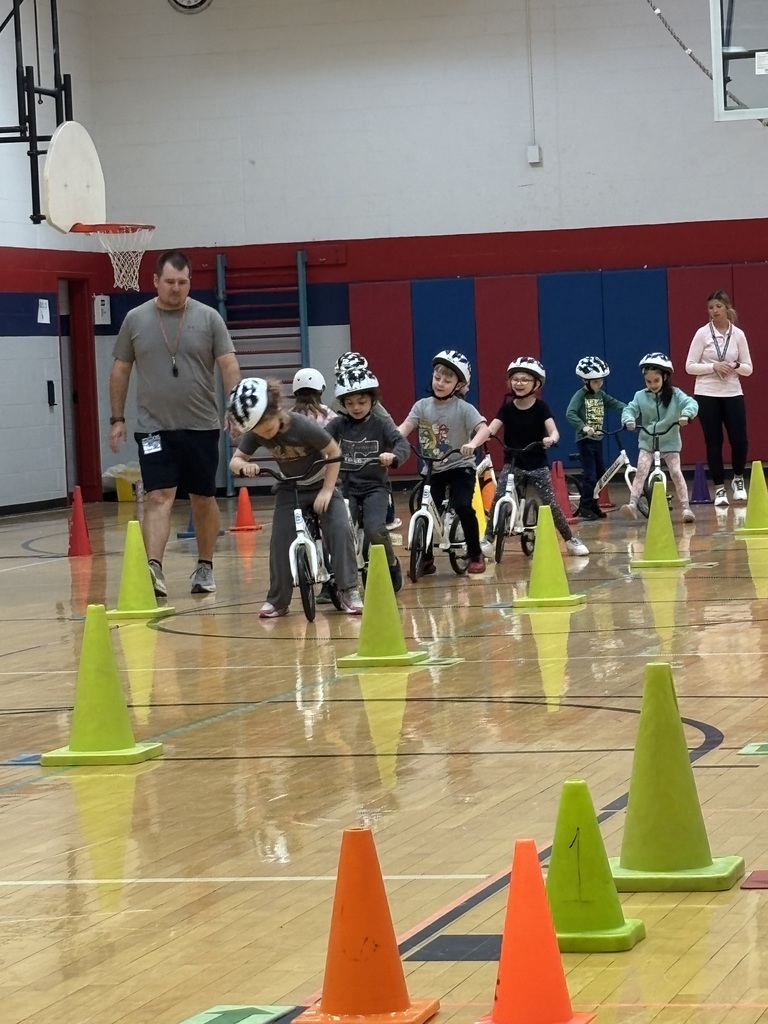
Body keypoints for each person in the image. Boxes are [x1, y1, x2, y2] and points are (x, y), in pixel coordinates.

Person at [109, 249, 241, 598]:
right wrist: (117, 419)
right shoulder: (135, 320)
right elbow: (121, 369)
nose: (176, 289)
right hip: (154, 428)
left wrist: (235, 408)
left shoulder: (209, 318)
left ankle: (205, 566)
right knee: (158, 496)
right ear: (155, 281)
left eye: (183, 282)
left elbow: (228, 364)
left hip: (200, 426)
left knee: (202, 497)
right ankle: (154, 568)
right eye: (169, 282)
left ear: (190, 283)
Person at [227, 377, 363, 618]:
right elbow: (235, 460)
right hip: (291, 489)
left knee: (340, 528)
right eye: (259, 433)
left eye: (267, 429)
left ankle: (349, 590)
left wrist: (328, 491)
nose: (265, 437)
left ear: (277, 410)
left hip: (322, 483)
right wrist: (243, 467)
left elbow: (334, 452)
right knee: (279, 539)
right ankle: (278, 600)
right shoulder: (258, 431)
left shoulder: (302, 426)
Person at [463, 357, 589, 557]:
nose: (518, 383)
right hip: (513, 463)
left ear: (536, 384)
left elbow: (553, 431)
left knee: (551, 504)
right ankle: (488, 539)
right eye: (515, 379)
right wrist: (473, 443)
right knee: (498, 498)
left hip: (537, 464)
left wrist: (551, 439)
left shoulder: (541, 408)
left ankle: (570, 539)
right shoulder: (507, 408)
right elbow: (490, 429)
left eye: (524, 379)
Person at [398, 349, 487, 574]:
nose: (440, 383)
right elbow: (404, 428)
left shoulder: (464, 408)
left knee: (464, 506)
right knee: (425, 510)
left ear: (458, 385)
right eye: (437, 378)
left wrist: (473, 444)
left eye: (447, 380)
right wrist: (391, 441)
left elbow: (483, 429)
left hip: (459, 466)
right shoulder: (422, 406)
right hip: (433, 468)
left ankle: (475, 552)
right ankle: (426, 559)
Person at [328, 363, 410, 592]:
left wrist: (392, 456)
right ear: (342, 404)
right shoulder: (339, 424)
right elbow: (320, 440)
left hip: (375, 487)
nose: (356, 407)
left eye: (361, 402)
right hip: (346, 487)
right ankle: (335, 579)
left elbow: (401, 443)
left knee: (375, 529)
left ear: (373, 401)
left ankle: (391, 562)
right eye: (350, 403)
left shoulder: (381, 423)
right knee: (341, 529)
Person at [685, 289, 753, 507]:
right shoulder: (702, 334)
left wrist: (734, 365)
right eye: (710, 307)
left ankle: (738, 479)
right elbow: (689, 367)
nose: (714, 311)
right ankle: (720, 488)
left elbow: (748, 368)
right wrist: (713, 366)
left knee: (739, 439)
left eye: (718, 306)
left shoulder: (738, 335)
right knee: (714, 442)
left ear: (727, 308)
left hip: (732, 392)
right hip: (707, 393)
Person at [620, 353, 699, 522]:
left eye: (656, 381)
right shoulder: (640, 396)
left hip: (669, 442)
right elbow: (630, 409)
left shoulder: (676, 394)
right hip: (648, 442)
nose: (653, 385)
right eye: (648, 381)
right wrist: (629, 419)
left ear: (664, 377)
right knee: (641, 470)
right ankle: (633, 504)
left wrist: (686, 415)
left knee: (676, 473)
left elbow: (691, 403)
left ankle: (686, 508)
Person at [566, 356, 626, 520]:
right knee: (590, 475)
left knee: (600, 475)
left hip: (598, 439)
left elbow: (615, 403)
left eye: (601, 381)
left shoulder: (601, 395)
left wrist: (630, 411)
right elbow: (570, 413)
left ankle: (594, 505)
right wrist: (583, 427)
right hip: (585, 441)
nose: (599, 385)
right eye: (595, 382)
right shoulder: (580, 396)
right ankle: (585, 506)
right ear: (586, 381)